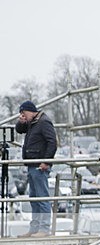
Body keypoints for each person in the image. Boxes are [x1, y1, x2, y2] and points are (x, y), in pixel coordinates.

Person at [15, 100, 57, 237]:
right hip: (32, 164)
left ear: (30, 111)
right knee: (34, 198)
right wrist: (21, 122)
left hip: (39, 166)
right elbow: (19, 130)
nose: (23, 116)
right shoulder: (32, 123)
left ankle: (44, 229)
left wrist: (46, 161)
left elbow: (52, 142)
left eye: (24, 113)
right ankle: (35, 228)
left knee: (42, 197)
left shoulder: (43, 122)